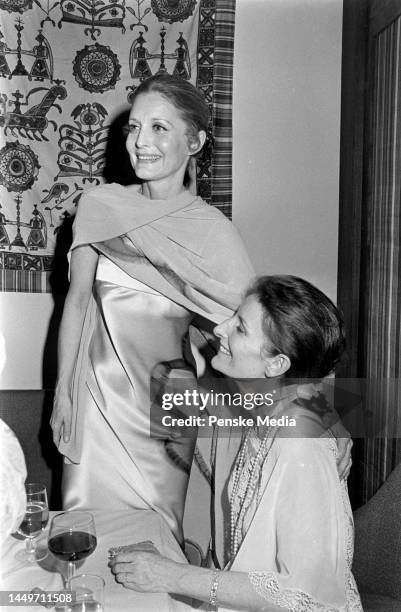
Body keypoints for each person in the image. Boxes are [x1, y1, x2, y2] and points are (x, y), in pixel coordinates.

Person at [49, 73, 255, 544]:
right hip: (96, 400)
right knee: (87, 534)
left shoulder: (214, 231)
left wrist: (321, 420)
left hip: (168, 409)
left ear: (195, 141)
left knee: (157, 539)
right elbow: (77, 303)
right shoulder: (99, 206)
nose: (140, 142)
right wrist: (63, 391)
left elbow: (258, 330)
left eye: (160, 128)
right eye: (134, 127)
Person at [109, 275, 363, 611]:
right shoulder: (266, 409)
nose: (219, 330)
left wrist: (171, 576)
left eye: (240, 327)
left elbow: (305, 596)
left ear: (276, 364)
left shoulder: (297, 444)